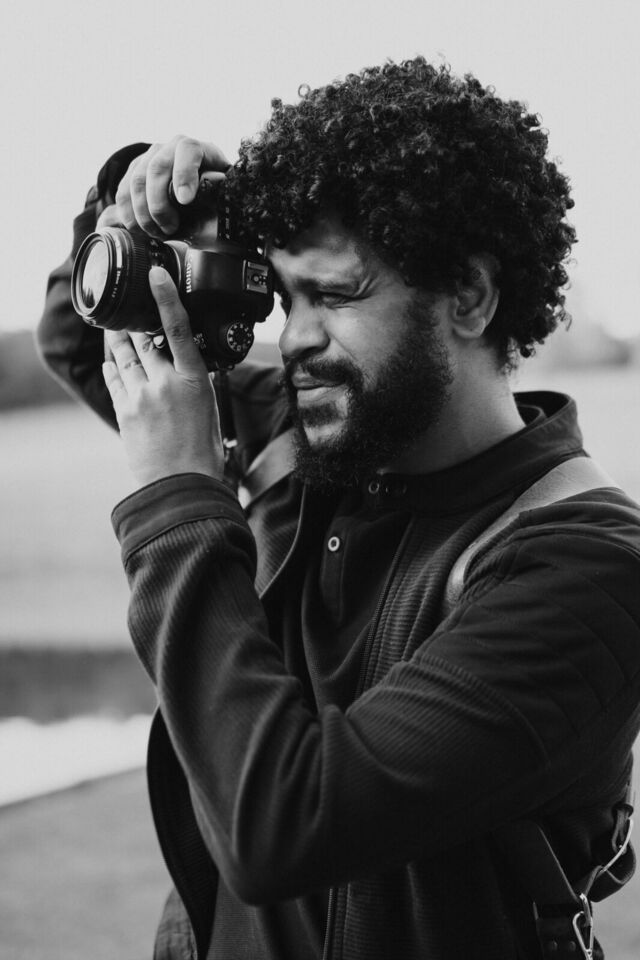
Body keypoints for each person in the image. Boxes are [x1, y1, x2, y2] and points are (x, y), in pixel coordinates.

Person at [38, 58, 640, 960]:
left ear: (468, 297)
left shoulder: (587, 567)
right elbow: (80, 338)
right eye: (286, 296)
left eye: (337, 293)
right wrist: (132, 212)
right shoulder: (316, 431)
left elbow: (283, 827)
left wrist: (180, 501)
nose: (298, 335)